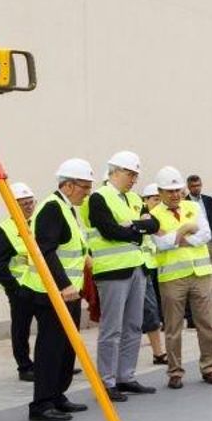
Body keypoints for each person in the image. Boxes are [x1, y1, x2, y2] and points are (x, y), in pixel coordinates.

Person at [22, 159, 94, 421]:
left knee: (66, 347)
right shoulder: (52, 208)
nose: (87, 192)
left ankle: (57, 394)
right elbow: (46, 250)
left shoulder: (68, 208)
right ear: (68, 185)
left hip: (69, 292)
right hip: (51, 292)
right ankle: (41, 403)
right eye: (84, 187)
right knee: (50, 348)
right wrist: (63, 284)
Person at [86, 151, 161, 403]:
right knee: (112, 328)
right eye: (130, 174)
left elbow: (153, 224)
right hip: (112, 271)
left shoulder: (133, 198)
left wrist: (133, 226)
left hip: (137, 267)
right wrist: (137, 226)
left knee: (133, 326)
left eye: (136, 175)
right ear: (115, 172)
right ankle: (106, 380)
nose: (134, 180)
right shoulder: (99, 197)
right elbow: (108, 230)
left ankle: (125, 376)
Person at [150, 167, 212, 388]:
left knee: (206, 323)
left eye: (178, 190)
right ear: (160, 192)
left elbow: (206, 234)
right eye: (169, 191)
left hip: (200, 274)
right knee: (173, 327)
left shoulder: (193, 206)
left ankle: (210, 367)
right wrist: (186, 230)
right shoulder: (153, 214)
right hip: (172, 277)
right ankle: (175, 371)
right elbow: (160, 243)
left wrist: (180, 238)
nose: (175, 195)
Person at [0, 182, 38, 382]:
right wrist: (15, 288)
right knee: (21, 328)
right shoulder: (5, 230)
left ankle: (49, 364)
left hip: (41, 285)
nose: (28, 206)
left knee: (49, 328)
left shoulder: (37, 223)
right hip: (21, 288)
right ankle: (25, 367)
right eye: (23, 203)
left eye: (30, 202)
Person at [139, 183, 170, 367]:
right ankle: (159, 353)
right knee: (150, 311)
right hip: (142, 268)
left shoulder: (160, 217)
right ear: (146, 200)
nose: (158, 202)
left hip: (157, 267)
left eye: (160, 198)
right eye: (155, 199)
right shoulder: (140, 216)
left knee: (155, 311)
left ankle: (158, 353)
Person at [184, 173, 212, 327]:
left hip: (209, 241)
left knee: (206, 274)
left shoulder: (208, 200)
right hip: (192, 243)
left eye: (198, 185)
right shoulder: (184, 202)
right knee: (193, 277)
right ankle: (192, 311)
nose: (196, 188)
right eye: (193, 186)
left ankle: (206, 306)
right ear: (188, 187)